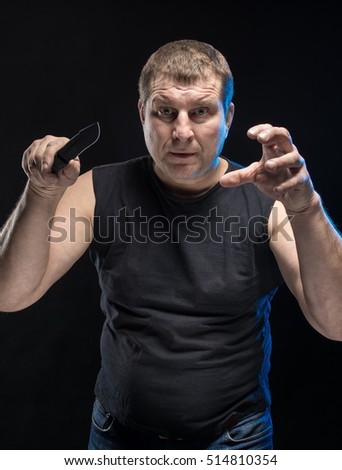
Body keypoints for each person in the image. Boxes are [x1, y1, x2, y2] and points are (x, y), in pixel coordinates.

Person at [0, 39, 341, 451]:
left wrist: (307, 207)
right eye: (165, 112)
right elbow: (10, 294)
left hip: (235, 441)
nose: (182, 132)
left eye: (201, 112)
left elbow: (336, 322)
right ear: (143, 113)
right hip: (117, 438)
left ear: (227, 116)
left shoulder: (274, 201)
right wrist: (40, 191)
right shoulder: (95, 190)